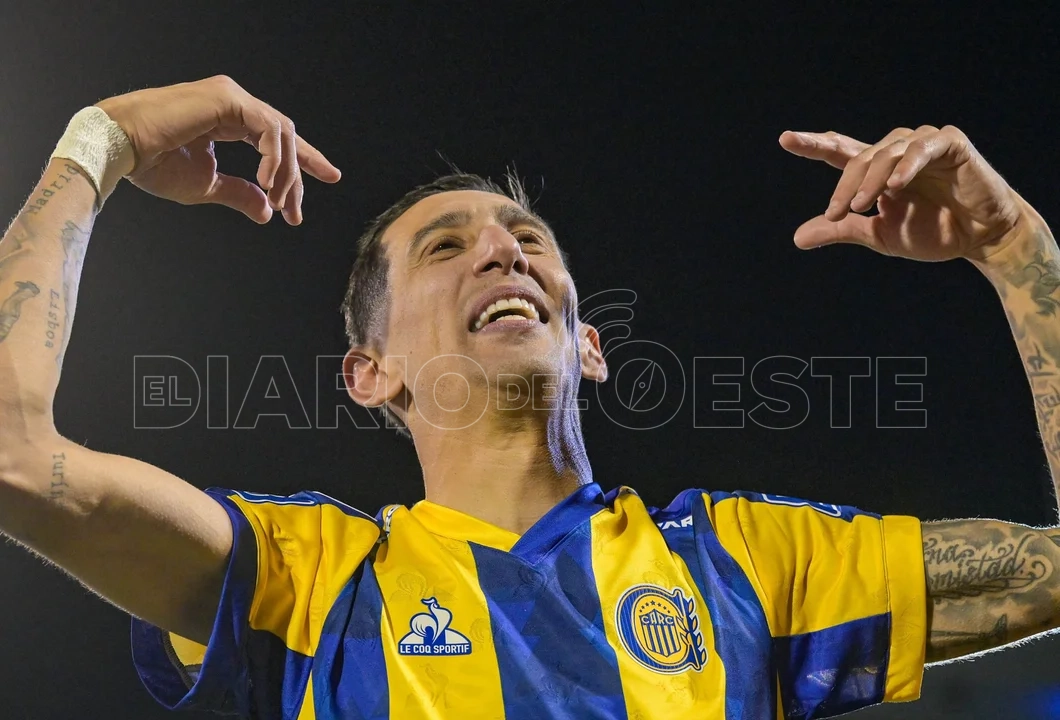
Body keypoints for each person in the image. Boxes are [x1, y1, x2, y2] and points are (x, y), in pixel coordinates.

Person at [0, 75, 1057, 720]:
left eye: (528, 241)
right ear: (371, 372)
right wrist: (101, 142)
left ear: (589, 346)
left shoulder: (751, 565)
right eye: (444, 247)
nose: (503, 253)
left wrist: (1016, 250)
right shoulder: (305, 580)